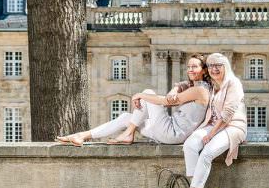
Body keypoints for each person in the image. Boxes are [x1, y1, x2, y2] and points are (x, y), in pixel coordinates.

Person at [56, 54, 211, 146]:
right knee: (126, 118)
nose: (190, 70)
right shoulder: (193, 86)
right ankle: (82, 136)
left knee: (148, 92)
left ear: (204, 70)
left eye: (195, 67)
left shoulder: (200, 90)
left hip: (173, 133)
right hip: (168, 132)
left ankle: (128, 134)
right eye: (189, 66)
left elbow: (167, 101)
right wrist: (177, 87)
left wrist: (141, 95)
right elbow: (173, 93)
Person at [183, 53, 247, 188]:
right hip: (213, 124)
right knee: (190, 145)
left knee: (207, 154)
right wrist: (178, 87)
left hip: (233, 126)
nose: (214, 69)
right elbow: (191, 82)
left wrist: (211, 134)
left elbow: (228, 114)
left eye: (218, 65)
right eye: (211, 65)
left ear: (225, 67)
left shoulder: (233, 83)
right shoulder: (212, 84)